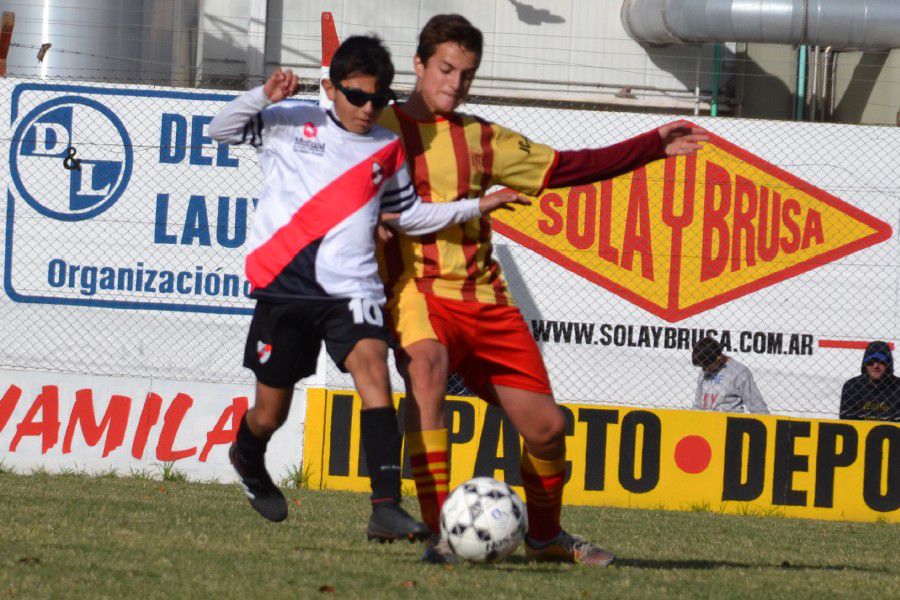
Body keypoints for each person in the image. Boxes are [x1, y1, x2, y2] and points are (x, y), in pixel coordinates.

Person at [375, 14, 708, 565]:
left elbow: (567, 168)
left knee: (549, 429)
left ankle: (545, 537)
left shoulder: (482, 137)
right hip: (418, 293)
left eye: (467, 74)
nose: (455, 84)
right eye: (445, 69)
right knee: (427, 369)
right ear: (419, 64)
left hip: (486, 302)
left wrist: (649, 147)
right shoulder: (380, 128)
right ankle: (440, 534)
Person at [208, 35, 528, 542]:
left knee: (374, 371)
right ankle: (247, 456)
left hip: (352, 290)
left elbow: (408, 215)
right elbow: (218, 129)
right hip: (286, 292)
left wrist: (476, 206)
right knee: (271, 413)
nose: (367, 109)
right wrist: (262, 96)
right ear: (330, 88)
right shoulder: (289, 122)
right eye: (357, 96)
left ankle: (384, 506)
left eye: (378, 100)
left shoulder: (385, 145)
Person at [691, 336, 769, 414]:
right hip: (707, 422)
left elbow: (758, 408)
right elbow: (698, 406)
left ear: (718, 359)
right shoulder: (704, 369)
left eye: (706, 366)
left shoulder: (739, 372)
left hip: (729, 423)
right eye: (702, 367)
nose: (705, 370)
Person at [839, 341, 900, 422]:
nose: (875, 366)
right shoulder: (852, 386)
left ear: (888, 364)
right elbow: (846, 421)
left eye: (881, 361)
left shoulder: (898, 386)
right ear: (865, 364)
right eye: (870, 362)